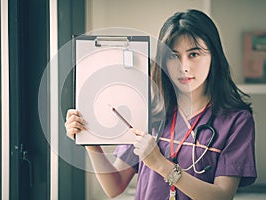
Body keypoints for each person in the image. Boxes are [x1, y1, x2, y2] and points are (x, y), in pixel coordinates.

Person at [65, 9, 257, 200]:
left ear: (213, 56)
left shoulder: (237, 121)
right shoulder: (148, 111)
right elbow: (114, 186)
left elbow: (222, 196)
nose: (184, 66)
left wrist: (160, 164)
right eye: (173, 56)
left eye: (194, 54)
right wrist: (90, 140)